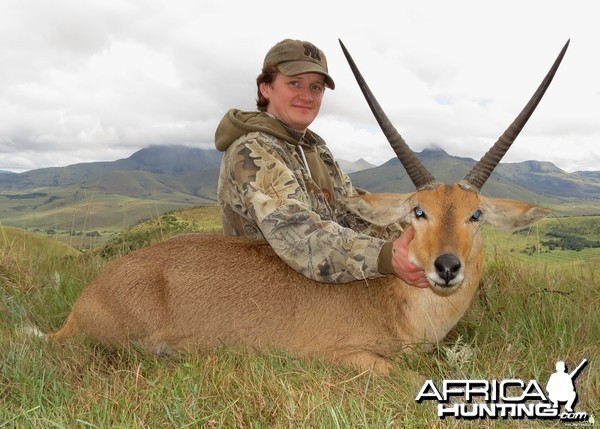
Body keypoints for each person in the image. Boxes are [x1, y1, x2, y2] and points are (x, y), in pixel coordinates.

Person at [214, 38, 428, 287]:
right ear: (265, 88)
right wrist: (385, 257)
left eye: (316, 87)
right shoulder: (251, 151)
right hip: (265, 295)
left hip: (316, 291)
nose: (307, 96)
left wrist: (417, 235)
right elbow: (298, 236)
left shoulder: (316, 150)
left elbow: (353, 211)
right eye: (294, 83)